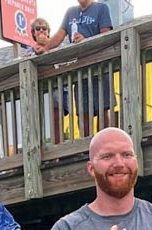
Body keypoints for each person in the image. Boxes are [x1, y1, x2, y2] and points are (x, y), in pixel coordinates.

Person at [33, 0, 115, 137]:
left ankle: (104, 142)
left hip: (100, 66)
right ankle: (86, 146)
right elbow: (59, 36)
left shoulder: (101, 8)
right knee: (83, 112)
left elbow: (106, 36)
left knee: (102, 109)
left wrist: (86, 39)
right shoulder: (71, 12)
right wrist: (45, 49)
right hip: (80, 70)